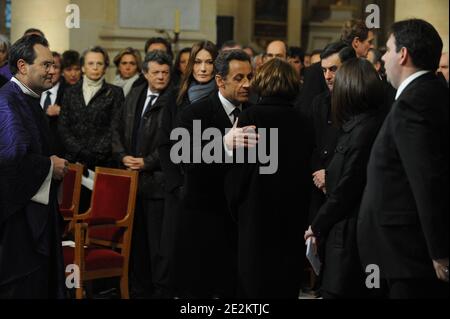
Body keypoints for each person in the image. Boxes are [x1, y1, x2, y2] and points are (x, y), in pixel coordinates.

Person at [358, 19, 449, 299]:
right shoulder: (427, 93)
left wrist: (440, 251)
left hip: (408, 254)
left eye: (387, 49)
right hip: (404, 253)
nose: (382, 57)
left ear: (403, 54)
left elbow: (426, 177)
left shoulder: (415, 100)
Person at [225, 58, 311, 298]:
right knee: (285, 282)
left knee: (254, 285)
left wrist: (235, 206)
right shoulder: (304, 121)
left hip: (256, 214)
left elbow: (239, 171)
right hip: (293, 216)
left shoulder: (251, 117)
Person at [176, 49, 257, 298]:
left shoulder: (255, 113)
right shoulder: (194, 114)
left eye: (250, 76)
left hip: (242, 224)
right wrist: (223, 144)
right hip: (204, 222)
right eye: (239, 78)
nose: (247, 84)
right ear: (220, 81)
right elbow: (185, 161)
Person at [304, 58, 384, 298]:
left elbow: (347, 186)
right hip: (348, 234)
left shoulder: (362, 131)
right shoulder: (359, 126)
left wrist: (316, 226)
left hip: (351, 239)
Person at [0, 34, 68, 298]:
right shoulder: (7, 102)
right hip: (17, 223)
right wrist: (50, 167)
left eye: (53, 64)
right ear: (22, 66)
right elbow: (9, 162)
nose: (52, 71)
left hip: (35, 212)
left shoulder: (27, 98)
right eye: (46, 65)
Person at [158, 40, 218, 297]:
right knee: (175, 251)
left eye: (209, 62)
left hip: (212, 190)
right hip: (180, 188)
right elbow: (164, 143)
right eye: (198, 62)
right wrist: (177, 184)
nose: (203, 68)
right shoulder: (176, 97)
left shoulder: (223, 96)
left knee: (209, 253)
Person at [112, 50, 173, 298]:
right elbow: (116, 128)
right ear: (145, 73)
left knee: (158, 245)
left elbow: (173, 143)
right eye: (156, 72)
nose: (161, 77)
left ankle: (159, 291)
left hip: (157, 183)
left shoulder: (174, 100)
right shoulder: (135, 93)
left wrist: (146, 162)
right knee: (135, 242)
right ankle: (138, 289)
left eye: (165, 72)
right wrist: (122, 155)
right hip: (131, 180)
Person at [59, 46, 124, 213]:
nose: (95, 67)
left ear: (105, 67)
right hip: (73, 162)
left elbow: (115, 128)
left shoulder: (115, 92)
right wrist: (80, 152)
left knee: (98, 214)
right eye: (91, 63)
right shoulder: (70, 92)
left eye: (99, 63)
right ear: (83, 67)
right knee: (71, 214)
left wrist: (94, 155)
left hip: (102, 163)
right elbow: (63, 126)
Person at [40, 51, 66, 157]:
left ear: (61, 70)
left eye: (56, 67)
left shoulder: (70, 92)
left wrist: (62, 111)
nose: (52, 71)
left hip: (60, 154)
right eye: (47, 66)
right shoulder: (33, 91)